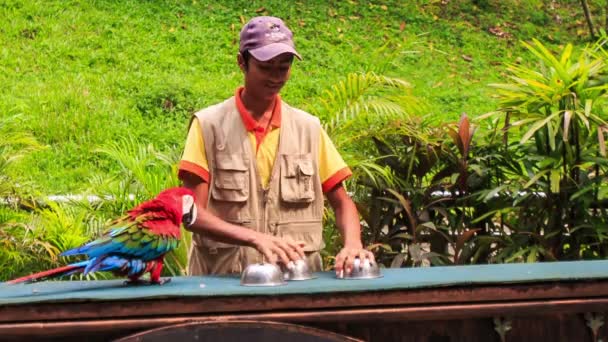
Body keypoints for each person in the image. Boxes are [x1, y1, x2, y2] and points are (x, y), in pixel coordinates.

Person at [178, 16, 374, 277]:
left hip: (297, 284)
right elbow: (192, 213)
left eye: (283, 68)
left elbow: (342, 203)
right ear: (241, 62)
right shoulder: (208, 126)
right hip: (223, 283)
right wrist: (255, 238)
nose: (275, 77)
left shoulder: (309, 129)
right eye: (265, 67)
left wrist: (353, 244)